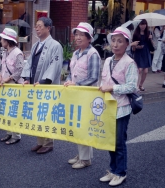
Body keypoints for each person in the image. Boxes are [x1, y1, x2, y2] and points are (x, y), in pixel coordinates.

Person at [99, 27, 138, 186]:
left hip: (122, 108)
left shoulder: (130, 63)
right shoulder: (108, 60)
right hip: (108, 107)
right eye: (113, 40)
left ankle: (120, 172)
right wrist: (101, 88)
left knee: (119, 141)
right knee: (110, 140)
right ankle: (113, 170)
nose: (115, 44)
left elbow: (132, 86)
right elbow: (104, 80)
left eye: (120, 41)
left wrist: (112, 88)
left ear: (127, 44)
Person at [21, 17, 63, 154]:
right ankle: (40, 142)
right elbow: (29, 63)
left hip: (46, 85)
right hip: (35, 83)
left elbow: (55, 65)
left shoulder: (55, 45)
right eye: (36, 26)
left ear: (48, 28)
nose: (37, 28)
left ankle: (48, 143)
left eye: (40, 26)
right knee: (38, 113)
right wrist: (27, 78)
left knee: (46, 113)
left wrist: (45, 81)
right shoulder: (35, 45)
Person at [64, 22, 101, 169]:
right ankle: (82, 155)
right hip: (76, 95)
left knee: (83, 125)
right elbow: (70, 73)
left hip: (87, 96)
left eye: (82, 35)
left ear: (89, 38)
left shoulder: (93, 54)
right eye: (76, 34)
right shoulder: (76, 53)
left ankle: (85, 159)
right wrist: (67, 81)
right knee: (78, 124)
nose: (78, 38)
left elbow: (93, 77)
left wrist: (76, 85)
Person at [0, 28, 24, 144]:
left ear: (8, 40)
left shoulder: (18, 53)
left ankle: (16, 135)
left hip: (13, 84)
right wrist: (0, 76)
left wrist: (9, 78)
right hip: (6, 84)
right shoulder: (4, 52)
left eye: (3, 38)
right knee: (6, 109)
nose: (1, 40)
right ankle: (9, 132)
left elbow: (20, 70)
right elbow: (2, 67)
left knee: (13, 109)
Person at [132, 19, 154, 91]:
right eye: (141, 24)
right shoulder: (136, 34)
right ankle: (137, 85)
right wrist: (138, 47)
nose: (143, 26)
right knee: (139, 70)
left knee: (146, 71)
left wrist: (150, 39)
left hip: (146, 52)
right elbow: (133, 46)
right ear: (139, 25)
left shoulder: (148, 33)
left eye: (144, 24)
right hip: (139, 53)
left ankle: (141, 84)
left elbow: (152, 46)